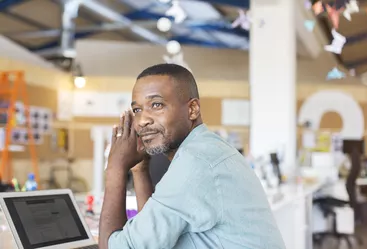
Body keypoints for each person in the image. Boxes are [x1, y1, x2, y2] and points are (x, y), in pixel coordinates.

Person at [99, 64, 286, 249]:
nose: (142, 121)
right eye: (137, 110)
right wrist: (139, 169)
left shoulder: (196, 163)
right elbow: (152, 233)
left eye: (156, 105)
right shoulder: (207, 148)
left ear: (193, 109)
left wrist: (115, 168)